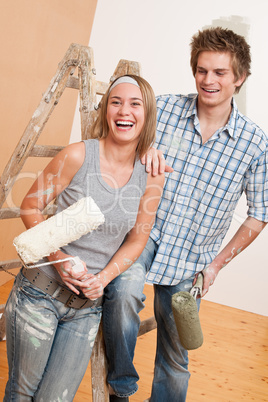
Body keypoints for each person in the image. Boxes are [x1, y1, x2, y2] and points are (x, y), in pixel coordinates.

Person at [103, 27, 268, 402]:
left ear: (239, 77)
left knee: (176, 357)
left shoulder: (256, 144)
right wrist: (139, 154)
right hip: (142, 236)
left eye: (220, 73)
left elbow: (260, 214)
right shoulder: (162, 109)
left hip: (192, 258)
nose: (208, 80)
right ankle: (121, 387)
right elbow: (116, 144)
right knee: (123, 291)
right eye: (201, 70)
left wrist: (215, 266)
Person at [4, 74, 164, 401]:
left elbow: (137, 239)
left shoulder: (152, 176)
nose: (124, 111)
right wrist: (60, 260)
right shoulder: (78, 155)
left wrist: (104, 278)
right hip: (40, 292)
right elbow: (30, 207)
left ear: (147, 115)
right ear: (106, 110)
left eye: (135, 104)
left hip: (86, 308)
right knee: (22, 393)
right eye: (116, 102)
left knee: (55, 398)